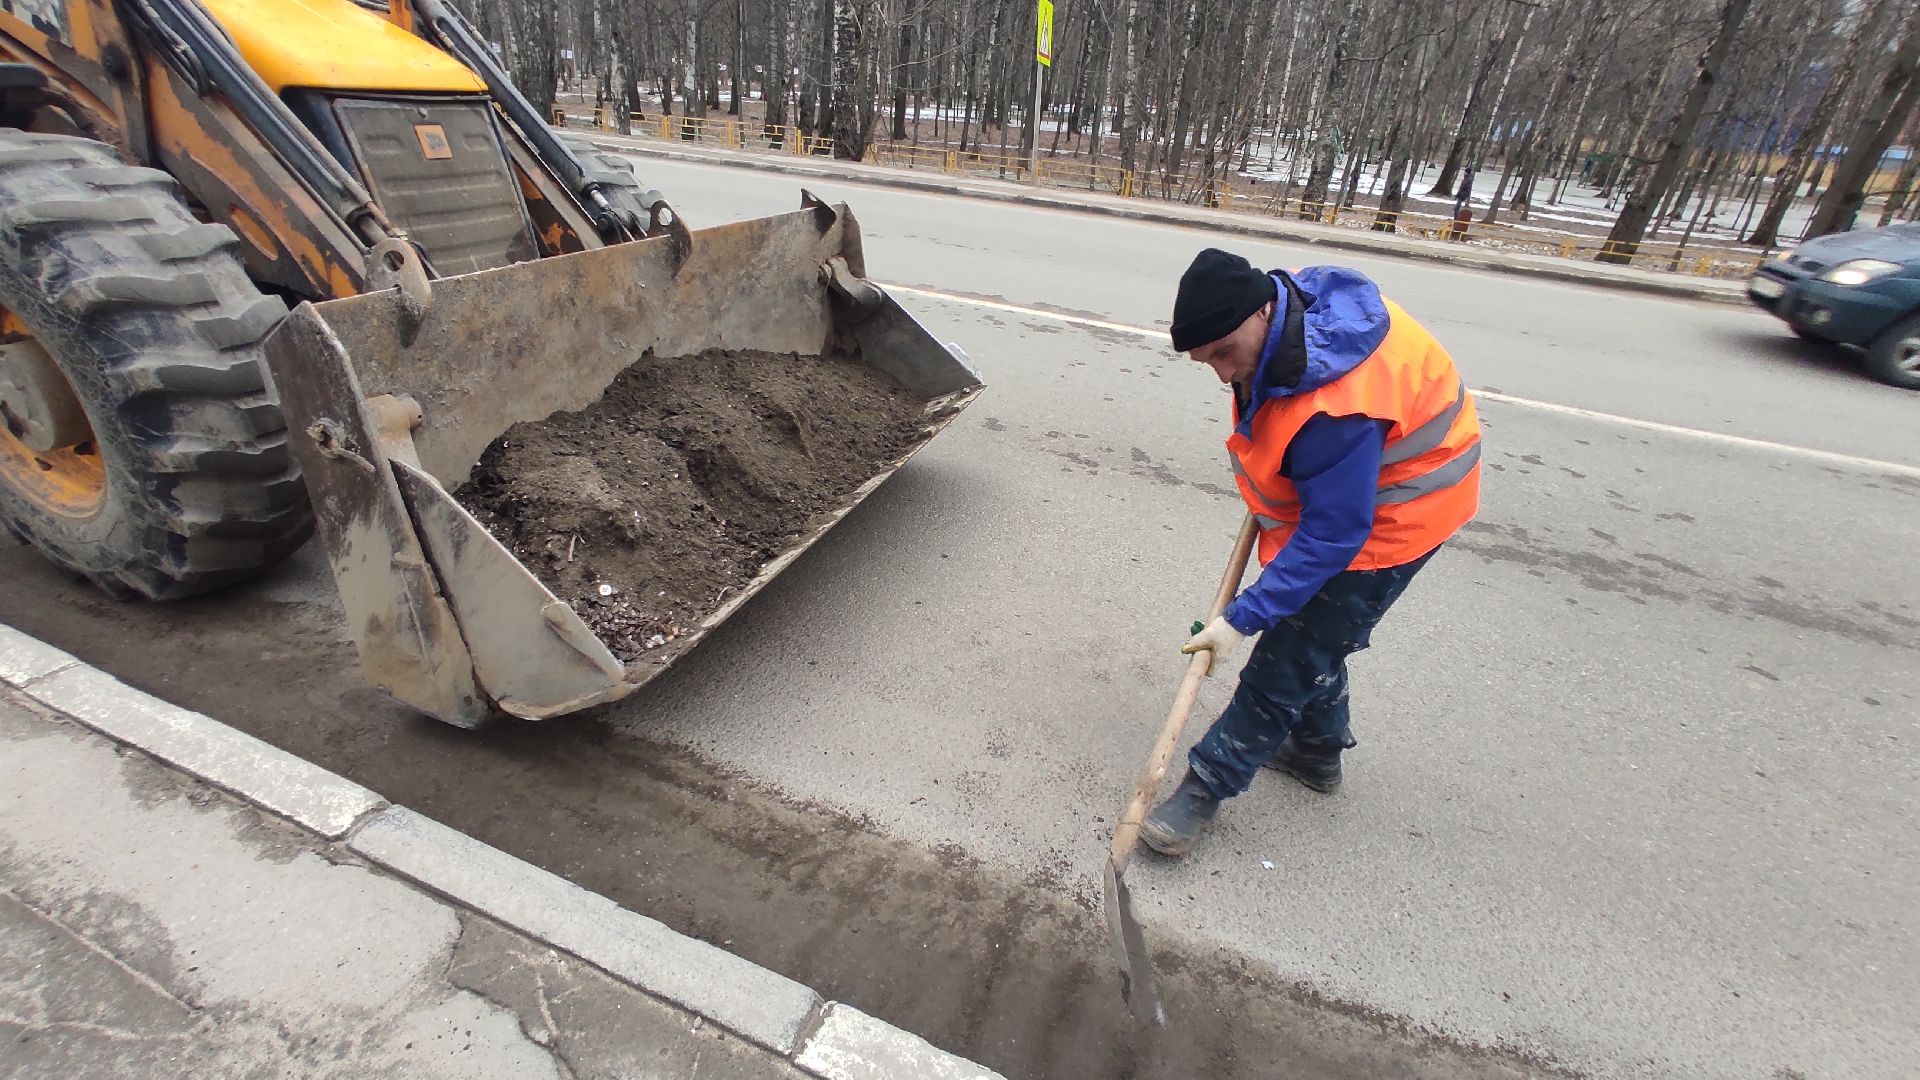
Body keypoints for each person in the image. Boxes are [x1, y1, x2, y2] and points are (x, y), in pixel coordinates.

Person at [1139, 249, 1483, 857]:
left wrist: (1242, 618)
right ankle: (1317, 753)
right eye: (1205, 360)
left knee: (1288, 657)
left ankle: (1205, 787)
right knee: (1319, 637)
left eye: (1224, 352)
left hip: (1397, 519)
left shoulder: (1337, 407)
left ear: (1262, 312)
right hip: (1350, 494)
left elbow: (1333, 533)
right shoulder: (1284, 309)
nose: (1221, 374)